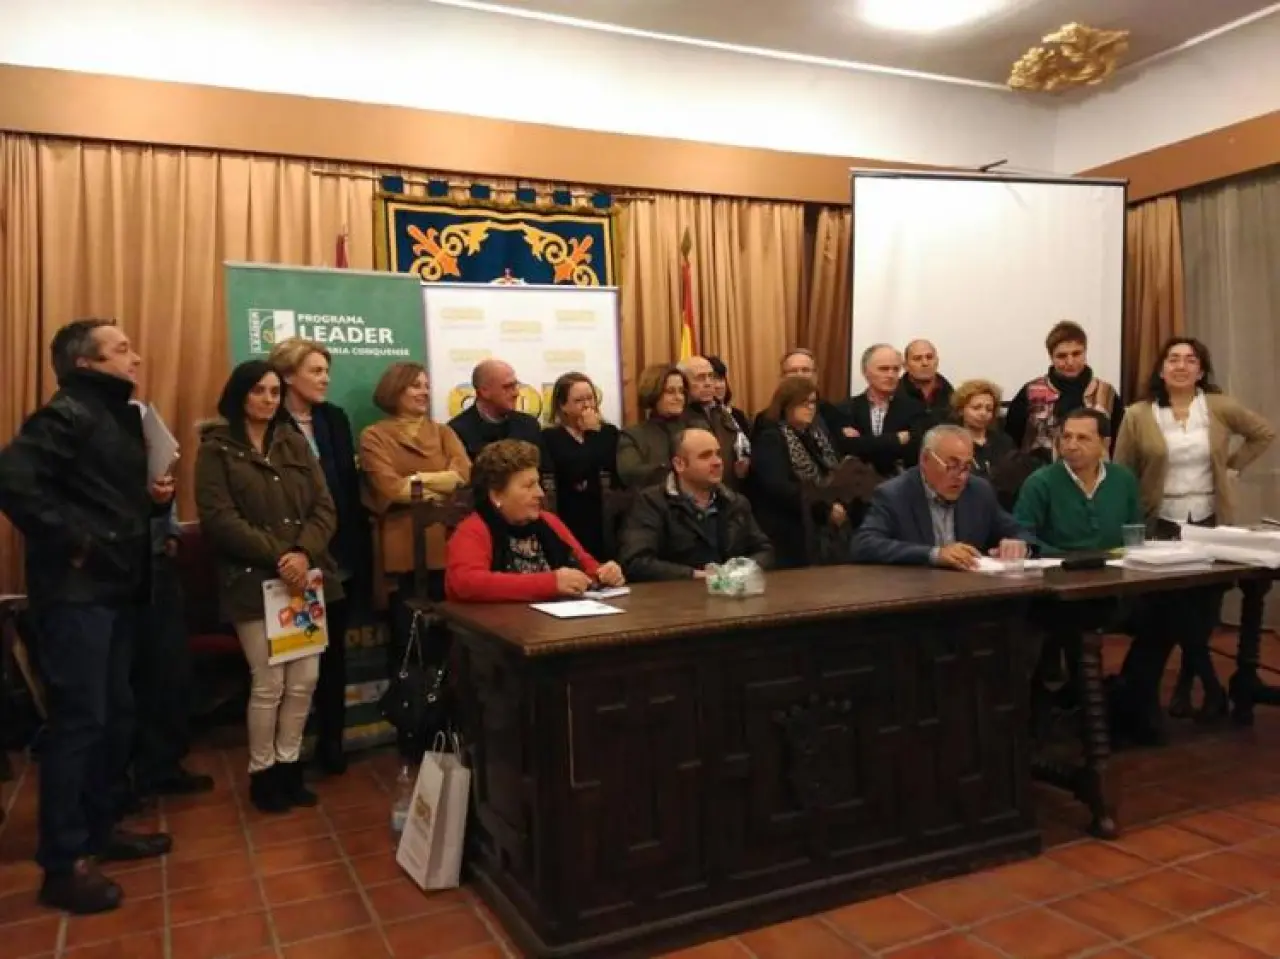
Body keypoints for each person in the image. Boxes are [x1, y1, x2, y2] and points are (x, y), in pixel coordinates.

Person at [0, 319, 173, 914]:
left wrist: (152, 501)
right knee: (78, 724)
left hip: (115, 590)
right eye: (121, 349)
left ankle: (99, 830)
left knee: (114, 716)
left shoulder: (113, 416)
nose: (136, 357)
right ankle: (63, 863)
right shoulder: (67, 413)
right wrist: (77, 544)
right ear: (85, 364)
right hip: (77, 596)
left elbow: (98, 497)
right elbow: (12, 480)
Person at [195, 361, 341, 814]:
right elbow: (220, 519)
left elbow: (324, 508)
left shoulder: (294, 442)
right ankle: (263, 773)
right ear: (239, 394)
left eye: (275, 392)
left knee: (305, 679)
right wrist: (282, 556)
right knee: (269, 681)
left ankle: (290, 765)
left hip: (302, 578)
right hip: (253, 580)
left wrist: (302, 552)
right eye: (258, 390)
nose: (268, 399)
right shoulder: (216, 449)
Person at [1114, 337, 1275, 722]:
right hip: (1161, 522)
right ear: (1161, 369)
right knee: (1170, 609)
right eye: (1173, 359)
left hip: (1209, 520)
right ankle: (1208, 687)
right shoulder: (1138, 414)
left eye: (1190, 360)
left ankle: (1190, 686)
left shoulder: (1217, 407)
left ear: (1201, 371)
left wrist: (1232, 467)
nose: (1181, 366)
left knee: (1203, 610)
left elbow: (1263, 432)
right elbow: (1122, 471)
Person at [270, 338, 370, 776]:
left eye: (326, 370)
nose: (325, 378)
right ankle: (287, 755)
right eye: (315, 371)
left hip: (337, 553)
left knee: (333, 659)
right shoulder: (269, 421)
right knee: (294, 662)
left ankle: (333, 742)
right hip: (293, 556)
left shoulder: (333, 418)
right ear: (288, 375)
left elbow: (344, 484)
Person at [359, 363, 470, 758]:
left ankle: (450, 731)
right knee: (409, 643)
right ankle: (416, 732)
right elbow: (390, 488)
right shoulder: (374, 435)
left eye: (426, 385)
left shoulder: (443, 431)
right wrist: (437, 480)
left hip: (447, 549)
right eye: (414, 386)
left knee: (450, 646)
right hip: (403, 554)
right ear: (394, 391)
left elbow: (463, 474)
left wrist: (419, 483)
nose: (424, 392)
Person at [446, 439, 625, 602]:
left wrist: (605, 573)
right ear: (496, 495)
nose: (540, 493)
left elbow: (587, 566)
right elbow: (466, 583)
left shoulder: (548, 521)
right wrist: (550, 583)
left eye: (538, 484)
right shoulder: (473, 530)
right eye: (528, 486)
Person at [850, 424, 1028, 568]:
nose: (961, 476)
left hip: (970, 590)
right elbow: (864, 544)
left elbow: (1019, 531)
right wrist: (934, 554)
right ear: (925, 459)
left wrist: (1018, 544)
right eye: (952, 466)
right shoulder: (895, 494)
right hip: (916, 592)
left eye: (967, 467)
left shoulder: (979, 490)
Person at [620, 428, 774, 581]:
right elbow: (636, 562)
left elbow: (764, 550)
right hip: (675, 593)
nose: (717, 462)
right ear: (679, 464)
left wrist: (738, 572)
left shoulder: (735, 502)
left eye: (718, 454)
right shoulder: (651, 502)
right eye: (705, 456)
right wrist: (694, 575)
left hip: (730, 590)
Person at [751, 376, 849, 568]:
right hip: (787, 526)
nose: (810, 408)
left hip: (816, 524)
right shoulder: (771, 438)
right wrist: (824, 509)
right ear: (786, 405)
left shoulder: (815, 436)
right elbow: (778, 487)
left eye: (813, 402)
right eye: (803, 403)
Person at [1005, 321, 1123, 463]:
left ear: (1085, 352)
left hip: (1094, 471)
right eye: (1062, 356)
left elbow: (1119, 443)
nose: (1070, 361)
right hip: (1041, 472)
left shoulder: (1106, 393)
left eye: (1076, 354)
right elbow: (1011, 440)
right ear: (1051, 357)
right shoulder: (1031, 392)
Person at [542, 372, 619, 560]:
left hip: (605, 516)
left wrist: (593, 434)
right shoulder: (551, 437)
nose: (587, 405)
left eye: (590, 398)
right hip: (571, 513)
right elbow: (576, 471)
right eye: (579, 401)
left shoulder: (608, 432)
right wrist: (591, 435)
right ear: (563, 406)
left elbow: (608, 466)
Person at [831, 344, 928, 476]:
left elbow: (913, 453)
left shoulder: (915, 409)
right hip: (858, 483)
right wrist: (896, 439)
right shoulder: (846, 409)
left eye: (895, 369)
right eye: (884, 369)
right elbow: (847, 449)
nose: (891, 375)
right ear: (865, 372)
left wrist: (865, 442)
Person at [447, 359, 544, 464]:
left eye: (515, 386)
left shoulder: (529, 425)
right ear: (484, 391)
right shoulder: (455, 432)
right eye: (507, 387)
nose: (516, 393)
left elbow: (544, 470)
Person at [680, 355, 750, 489]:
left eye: (711, 376)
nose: (708, 383)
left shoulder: (724, 413)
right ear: (684, 384)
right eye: (700, 378)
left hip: (731, 491)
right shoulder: (679, 416)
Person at [616, 364, 692, 489]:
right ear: (653, 394)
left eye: (681, 391)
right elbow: (630, 473)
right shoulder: (633, 435)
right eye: (670, 391)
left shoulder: (696, 429)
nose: (678, 397)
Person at [951, 379, 1016, 479]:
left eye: (989, 409)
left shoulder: (1004, 442)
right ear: (961, 410)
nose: (983, 413)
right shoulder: (952, 443)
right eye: (976, 408)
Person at [898, 339, 954, 424]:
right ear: (905, 365)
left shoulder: (952, 397)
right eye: (917, 359)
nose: (925, 363)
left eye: (929, 357)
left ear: (937, 361)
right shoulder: (893, 395)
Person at [707, 355, 752, 435]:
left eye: (721, 379)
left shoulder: (738, 415)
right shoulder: (703, 418)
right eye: (713, 380)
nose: (718, 386)